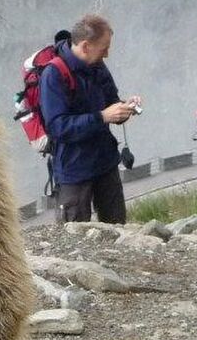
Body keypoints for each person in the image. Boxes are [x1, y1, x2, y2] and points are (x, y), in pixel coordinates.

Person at [39, 14, 142, 223]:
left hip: (105, 163)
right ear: (86, 46)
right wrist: (102, 116)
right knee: (74, 238)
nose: (107, 53)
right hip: (74, 170)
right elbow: (58, 127)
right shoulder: (54, 74)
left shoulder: (98, 66)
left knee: (116, 227)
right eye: (104, 47)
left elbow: (110, 104)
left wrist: (124, 108)